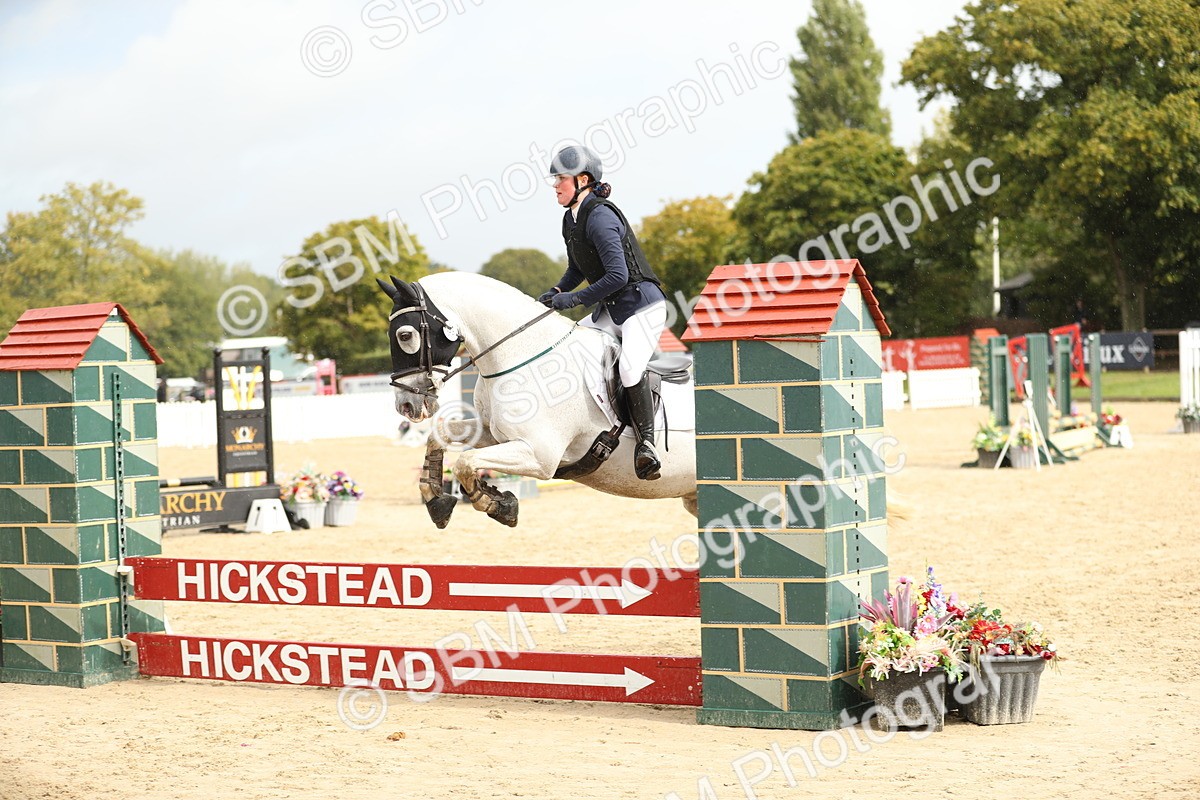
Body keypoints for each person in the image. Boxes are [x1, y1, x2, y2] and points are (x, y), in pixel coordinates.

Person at [539, 145, 668, 481]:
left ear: (582, 180)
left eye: (561, 178)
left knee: (629, 368)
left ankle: (647, 446)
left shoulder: (600, 217)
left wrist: (573, 300)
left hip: (642, 306)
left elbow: (618, 276)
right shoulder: (570, 219)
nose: (555, 185)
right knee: (569, 343)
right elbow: (576, 269)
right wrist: (556, 291)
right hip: (612, 308)